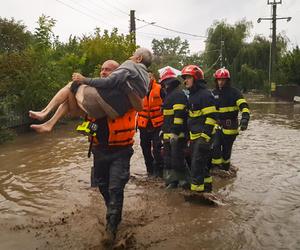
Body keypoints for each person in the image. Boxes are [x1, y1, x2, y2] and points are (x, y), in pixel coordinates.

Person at [29, 48, 152, 133]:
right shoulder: (145, 78)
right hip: (101, 140)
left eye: (107, 70)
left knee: (73, 83)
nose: (103, 72)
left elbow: (109, 82)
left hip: (117, 144)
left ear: (139, 58)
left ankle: (45, 113)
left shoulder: (129, 67)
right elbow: (74, 113)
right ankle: (49, 123)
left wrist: (84, 79)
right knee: (71, 90)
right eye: (102, 69)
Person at [181, 65, 218, 193]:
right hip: (195, 136)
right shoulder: (193, 95)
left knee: (196, 166)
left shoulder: (205, 95)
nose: (185, 80)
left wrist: (205, 137)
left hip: (203, 137)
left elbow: (212, 117)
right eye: (184, 78)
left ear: (196, 78)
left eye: (188, 77)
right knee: (200, 165)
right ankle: (207, 188)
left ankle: (196, 194)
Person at [211, 68, 250, 171]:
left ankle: (225, 168)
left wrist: (245, 119)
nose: (220, 82)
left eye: (223, 80)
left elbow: (244, 106)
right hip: (217, 125)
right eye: (219, 80)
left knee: (226, 150)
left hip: (230, 127)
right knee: (215, 145)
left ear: (227, 80)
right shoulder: (213, 93)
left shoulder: (235, 93)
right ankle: (216, 168)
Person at [160, 67, 189, 189]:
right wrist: (163, 129)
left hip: (177, 135)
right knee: (168, 160)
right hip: (168, 134)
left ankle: (184, 183)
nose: (164, 86)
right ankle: (172, 182)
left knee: (177, 160)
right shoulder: (170, 95)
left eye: (165, 84)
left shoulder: (177, 95)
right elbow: (167, 117)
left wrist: (175, 133)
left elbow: (179, 116)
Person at [137, 72, 164, 177]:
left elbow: (166, 102)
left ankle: (159, 171)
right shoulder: (138, 89)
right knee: (144, 147)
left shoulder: (160, 89)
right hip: (143, 124)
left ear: (153, 78)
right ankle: (150, 170)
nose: (147, 79)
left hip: (157, 124)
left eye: (149, 76)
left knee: (157, 148)